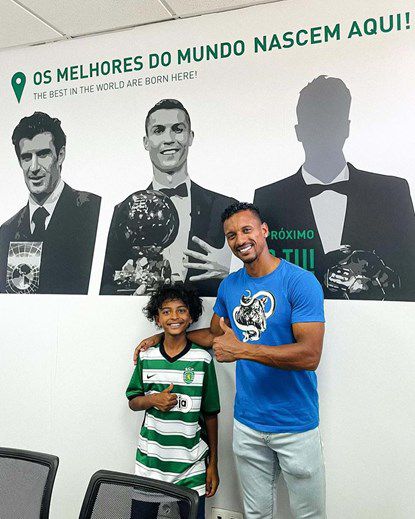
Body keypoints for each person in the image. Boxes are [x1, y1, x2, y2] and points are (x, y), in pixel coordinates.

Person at [135, 202, 326, 519]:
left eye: (246, 230)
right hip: (248, 424)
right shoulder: (231, 285)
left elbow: (310, 355)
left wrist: (243, 351)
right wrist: (166, 337)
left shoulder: (300, 282)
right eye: (231, 235)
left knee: (309, 516)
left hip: (295, 424)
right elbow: (215, 336)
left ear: (264, 231)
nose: (240, 240)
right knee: (255, 514)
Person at [254, 75, 415, 301]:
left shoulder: (391, 192)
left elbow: (408, 271)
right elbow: (264, 274)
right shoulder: (268, 199)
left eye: (331, 122)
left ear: (346, 128)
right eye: (315, 124)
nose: (323, 133)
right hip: (296, 322)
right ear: (299, 131)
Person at [100, 99, 236, 297]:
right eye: (159, 130)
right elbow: (105, 283)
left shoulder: (224, 208)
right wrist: (128, 300)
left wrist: (233, 270)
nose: (169, 139)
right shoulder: (123, 212)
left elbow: (256, 275)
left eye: (178, 129)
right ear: (146, 142)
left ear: (190, 137)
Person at [127, 283, 220, 519]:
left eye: (181, 310)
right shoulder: (147, 356)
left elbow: (211, 414)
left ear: (191, 317)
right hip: (150, 465)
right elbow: (133, 401)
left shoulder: (202, 359)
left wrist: (213, 464)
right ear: (157, 319)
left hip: (191, 468)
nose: (174, 317)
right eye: (166, 311)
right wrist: (153, 400)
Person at [0, 111, 101, 294]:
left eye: (43, 154)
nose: (34, 168)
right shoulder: (6, 231)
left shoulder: (95, 212)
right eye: (26, 157)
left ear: (60, 155)